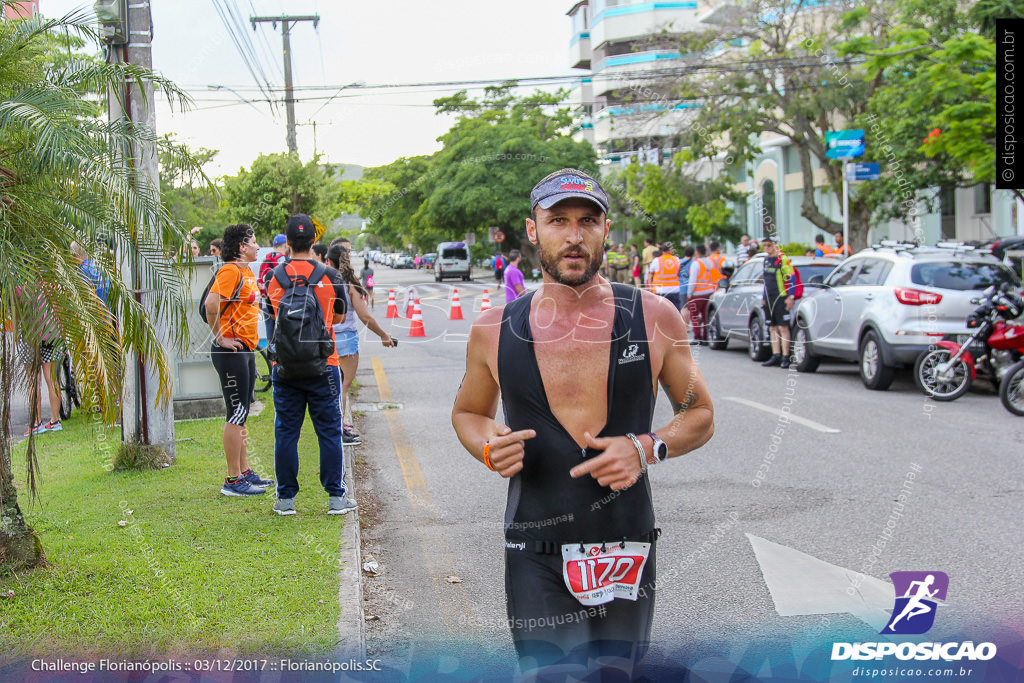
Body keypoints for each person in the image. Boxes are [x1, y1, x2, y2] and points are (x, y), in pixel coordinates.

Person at [452, 168, 714, 677]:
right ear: (534, 231)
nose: (574, 236)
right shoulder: (493, 330)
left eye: (587, 221)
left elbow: (699, 413)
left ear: (605, 229)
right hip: (535, 548)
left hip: (625, 548)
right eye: (559, 221)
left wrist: (646, 447)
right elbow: (468, 414)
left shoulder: (656, 316)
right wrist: (488, 446)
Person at [267, 214, 354, 516]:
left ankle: (286, 500)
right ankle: (336, 499)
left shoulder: (273, 277)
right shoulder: (331, 275)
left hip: (285, 367)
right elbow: (340, 318)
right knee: (329, 431)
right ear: (314, 241)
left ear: (287, 242)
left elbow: (272, 318)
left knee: (286, 432)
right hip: (325, 365)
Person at [202, 223, 273, 496]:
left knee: (242, 414)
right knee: (235, 414)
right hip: (230, 351)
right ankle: (232, 481)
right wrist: (220, 337)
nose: (257, 246)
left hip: (244, 350)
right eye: (254, 242)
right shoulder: (230, 270)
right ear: (241, 247)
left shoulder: (244, 271)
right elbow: (211, 304)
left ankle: (245, 472)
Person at [326, 243, 396, 446]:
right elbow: (365, 316)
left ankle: (335, 431)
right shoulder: (348, 285)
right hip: (346, 341)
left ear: (328, 261)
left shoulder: (324, 281)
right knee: (342, 390)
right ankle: (339, 433)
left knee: (333, 389)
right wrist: (383, 335)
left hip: (328, 339)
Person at [760, 237, 799, 369]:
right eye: (764, 245)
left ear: (775, 246)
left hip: (781, 297)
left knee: (783, 327)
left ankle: (786, 356)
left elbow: (792, 277)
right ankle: (776, 355)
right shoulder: (765, 261)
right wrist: (764, 297)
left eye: (769, 245)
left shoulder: (782, 259)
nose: (766, 248)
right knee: (772, 327)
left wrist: (790, 296)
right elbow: (766, 281)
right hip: (770, 297)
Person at [259, 233, 289, 347]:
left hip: (266, 304)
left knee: (270, 339)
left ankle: (272, 363)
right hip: (280, 304)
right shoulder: (283, 260)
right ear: (286, 245)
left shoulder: (265, 259)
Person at [686, 244, 716, 343]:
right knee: (705, 315)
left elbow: (692, 280)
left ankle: (697, 336)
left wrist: (689, 294)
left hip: (697, 294)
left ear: (697, 252)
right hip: (709, 292)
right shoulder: (710, 262)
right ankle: (706, 336)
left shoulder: (696, 263)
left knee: (694, 315)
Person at [648, 242, 681, 309]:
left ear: (662, 250)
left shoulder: (657, 260)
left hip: (661, 290)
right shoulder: (676, 259)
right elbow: (678, 271)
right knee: (676, 311)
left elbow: (650, 275)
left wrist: (650, 287)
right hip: (674, 289)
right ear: (670, 250)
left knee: (661, 311)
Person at [677, 245, 695, 313]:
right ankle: (686, 322)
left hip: (680, 287)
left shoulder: (678, 262)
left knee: (682, 307)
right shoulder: (694, 262)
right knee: (688, 308)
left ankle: (683, 322)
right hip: (690, 287)